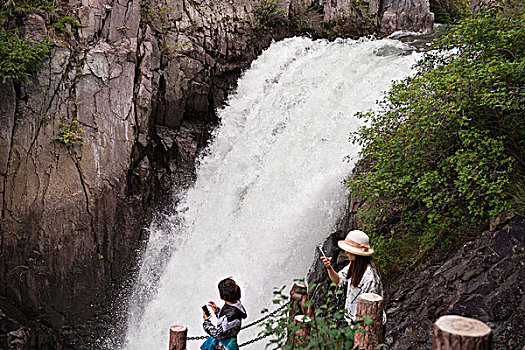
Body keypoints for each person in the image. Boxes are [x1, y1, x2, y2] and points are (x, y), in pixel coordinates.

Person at [320, 229, 386, 326]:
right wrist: (329, 267)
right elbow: (338, 280)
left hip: (366, 326)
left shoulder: (370, 278)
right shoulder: (354, 265)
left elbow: (370, 309)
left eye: (349, 250)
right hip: (354, 322)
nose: (346, 252)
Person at [201, 278, 247, 350]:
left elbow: (217, 333)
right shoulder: (236, 304)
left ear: (223, 295)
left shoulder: (230, 316)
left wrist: (206, 322)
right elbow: (226, 323)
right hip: (229, 340)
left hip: (225, 346)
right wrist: (217, 311)